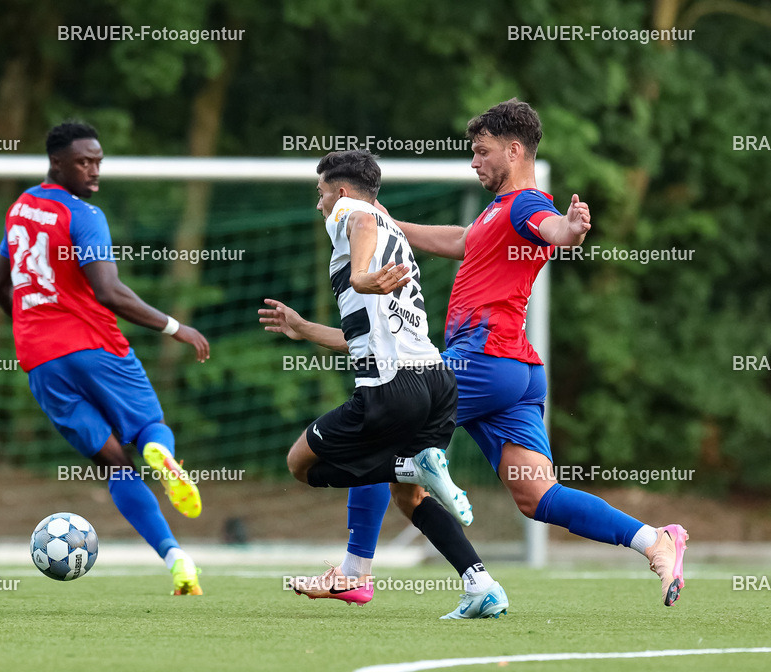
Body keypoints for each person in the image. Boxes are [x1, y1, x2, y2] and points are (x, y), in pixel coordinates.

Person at [294, 99, 689, 608]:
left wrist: (569, 231)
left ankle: (355, 573)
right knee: (536, 496)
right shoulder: (494, 214)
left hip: (479, 358)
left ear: (515, 149)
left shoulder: (525, 203)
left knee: (382, 436)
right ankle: (654, 540)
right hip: (518, 372)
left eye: (482, 152)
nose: (474, 162)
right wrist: (387, 221)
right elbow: (460, 240)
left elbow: (551, 228)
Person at [259, 149, 508, 619]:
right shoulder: (395, 235)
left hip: (392, 388)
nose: (319, 205)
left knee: (299, 465)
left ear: (342, 191)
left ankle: (410, 474)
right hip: (436, 383)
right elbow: (364, 334)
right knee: (407, 496)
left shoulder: (355, 215)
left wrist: (359, 277)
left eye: (321, 194)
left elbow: (360, 223)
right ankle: (481, 584)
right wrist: (303, 328)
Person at [0, 121, 209, 595]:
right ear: (57, 163)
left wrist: (30, 327)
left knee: (113, 464)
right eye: (84, 162)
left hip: (41, 359)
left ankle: (176, 557)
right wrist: (175, 327)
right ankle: (161, 454)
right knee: (149, 428)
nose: (94, 170)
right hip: (94, 343)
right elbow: (109, 292)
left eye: (98, 161)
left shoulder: (21, 207)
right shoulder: (84, 215)